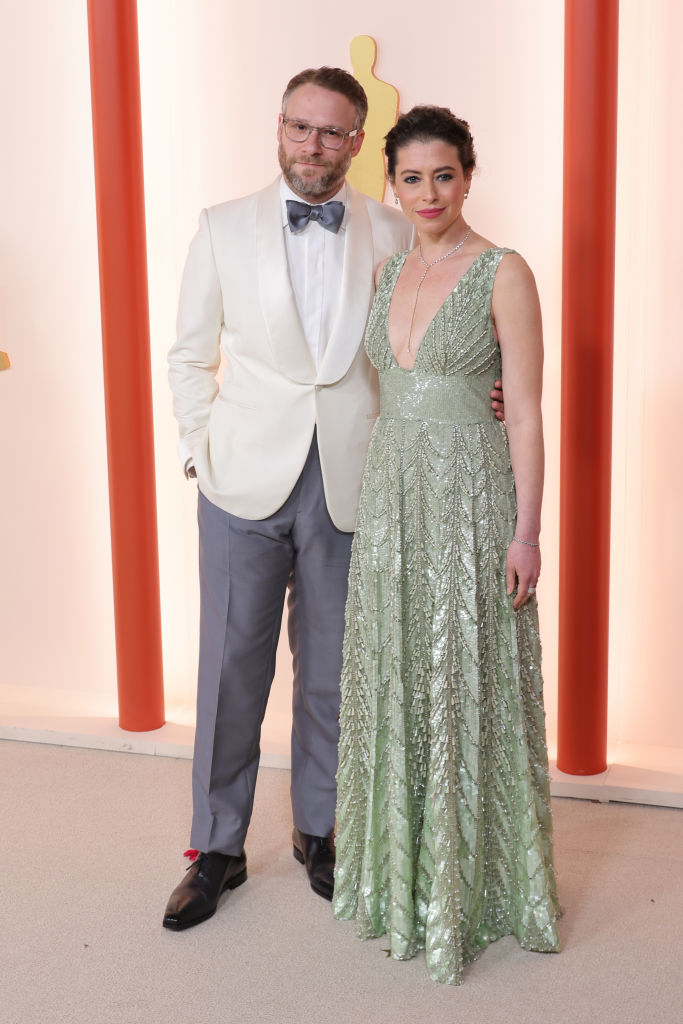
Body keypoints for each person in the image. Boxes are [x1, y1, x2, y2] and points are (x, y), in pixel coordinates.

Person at [164, 72, 504, 932]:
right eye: (300, 128)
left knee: (334, 673)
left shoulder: (395, 226)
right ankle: (216, 849)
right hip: (241, 476)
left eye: (333, 134)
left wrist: (485, 388)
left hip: (356, 475)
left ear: (360, 142)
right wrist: (202, 452)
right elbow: (187, 354)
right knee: (229, 670)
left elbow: (435, 332)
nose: (313, 146)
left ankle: (322, 831)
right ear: (278, 126)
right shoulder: (220, 226)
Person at [332, 106, 561, 985]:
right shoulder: (386, 271)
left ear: (469, 175)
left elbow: (530, 412)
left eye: (444, 175)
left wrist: (527, 530)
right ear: (390, 183)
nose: (428, 193)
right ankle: (399, 882)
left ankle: (476, 889)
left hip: (471, 498)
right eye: (411, 178)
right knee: (399, 671)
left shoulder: (504, 272)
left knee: (460, 678)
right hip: (391, 499)